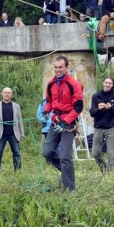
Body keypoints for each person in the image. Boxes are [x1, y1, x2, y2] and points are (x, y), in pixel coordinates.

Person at [42, 56, 84, 191]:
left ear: (66, 68)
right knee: (47, 152)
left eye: (60, 67)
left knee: (65, 155)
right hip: (56, 120)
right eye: (55, 67)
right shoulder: (51, 84)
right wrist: (47, 111)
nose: (57, 70)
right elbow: (49, 101)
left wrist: (66, 122)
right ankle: (67, 174)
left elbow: (78, 107)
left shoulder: (74, 84)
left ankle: (70, 188)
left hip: (69, 123)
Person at [89, 76, 114, 172]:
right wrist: (98, 109)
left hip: (110, 127)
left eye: (110, 83)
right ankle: (104, 168)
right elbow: (92, 113)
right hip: (98, 127)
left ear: (112, 85)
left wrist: (110, 108)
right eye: (106, 82)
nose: (107, 84)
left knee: (111, 153)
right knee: (95, 152)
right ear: (103, 83)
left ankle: (111, 174)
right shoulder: (96, 96)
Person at [0, 87, 25, 175]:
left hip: (14, 134)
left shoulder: (16, 106)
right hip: (0, 134)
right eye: (5, 92)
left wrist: (22, 133)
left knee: (17, 153)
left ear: (11, 94)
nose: (6, 94)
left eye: (8, 93)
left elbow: (20, 120)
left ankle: (17, 172)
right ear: (2, 94)